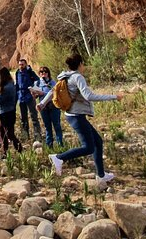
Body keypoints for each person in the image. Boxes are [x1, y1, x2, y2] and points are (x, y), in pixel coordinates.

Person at [38, 53, 123, 184]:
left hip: (72, 115)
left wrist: (42, 103)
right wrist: (113, 97)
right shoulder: (77, 77)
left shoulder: (65, 76)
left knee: (98, 142)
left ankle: (101, 175)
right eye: (83, 64)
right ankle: (59, 158)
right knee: (88, 147)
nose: (84, 66)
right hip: (76, 116)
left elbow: (53, 90)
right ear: (80, 64)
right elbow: (89, 96)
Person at [0, 67, 23, 157]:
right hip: (8, 112)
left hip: (6, 114)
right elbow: (0, 88)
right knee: (2, 131)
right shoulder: (10, 84)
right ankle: (5, 152)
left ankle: (19, 149)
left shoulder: (7, 88)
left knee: (9, 134)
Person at [31, 66, 63, 147]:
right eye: (41, 72)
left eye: (45, 72)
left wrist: (43, 94)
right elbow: (35, 97)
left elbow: (55, 94)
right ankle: (50, 146)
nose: (43, 73)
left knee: (57, 126)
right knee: (47, 127)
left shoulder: (53, 82)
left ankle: (60, 145)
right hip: (43, 109)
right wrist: (34, 94)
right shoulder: (37, 83)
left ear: (48, 73)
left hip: (54, 107)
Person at [15, 58, 43, 140]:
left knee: (33, 116)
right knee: (23, 118)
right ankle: (25, 135)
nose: (21, 66)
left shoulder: (30, 72)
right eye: (20, 64)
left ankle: (37, 135)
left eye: (22, 64)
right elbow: (17, 84)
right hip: (21, 97)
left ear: (26, 64)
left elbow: (38, 80)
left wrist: (34, 90)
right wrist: (16, 96)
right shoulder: (17, 73)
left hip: (30, 97)